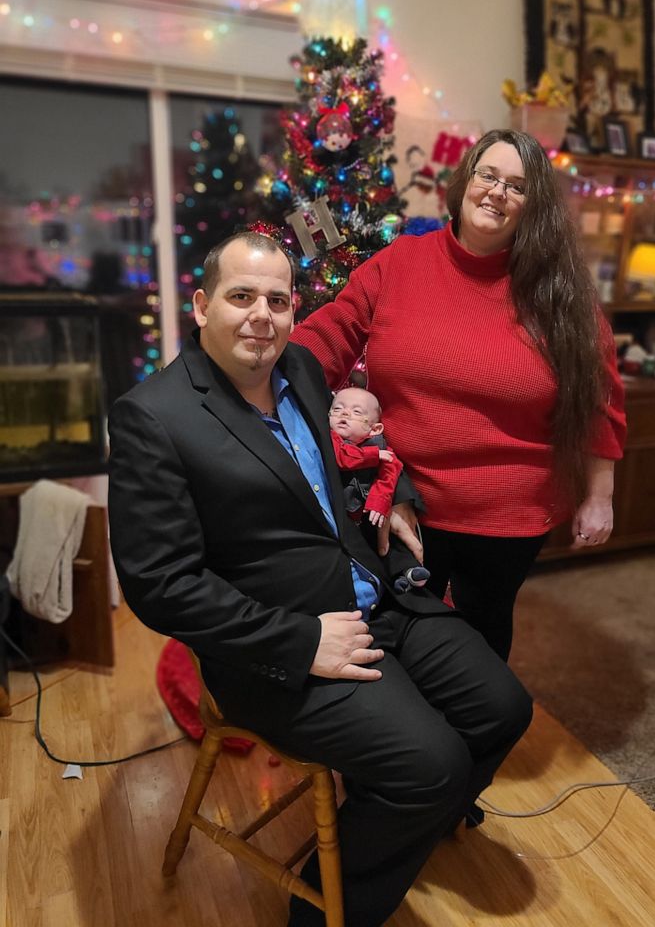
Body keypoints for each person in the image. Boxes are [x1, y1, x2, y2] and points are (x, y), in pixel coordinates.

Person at [107, 228, 533, 927]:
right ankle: (325, 914)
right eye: (240, 296)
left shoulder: (301, 370)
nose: (261, 315)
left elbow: (340, 468)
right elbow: (159, 584)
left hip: (375, 594)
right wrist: (301, 641)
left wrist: (393, 499)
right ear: (201, 304)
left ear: (295, 310)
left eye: (277, 299)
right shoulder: (154, 418)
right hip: (278, 647)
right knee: (433, 767)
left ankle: (393, 823)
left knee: (503, 710)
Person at [292, 128, 627, 661]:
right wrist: (256, 363)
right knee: (399, 638)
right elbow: (329, 333)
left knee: (480, 644)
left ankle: (476, 740)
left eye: (517, 186)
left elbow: (599, 400)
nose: (497, 192)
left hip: (509, 515)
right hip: (401, 502)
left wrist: (599, 495)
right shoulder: (400, 263)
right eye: (487, 175)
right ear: (465, 181)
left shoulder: (561, 290)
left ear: (533, 205)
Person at [329, 385, 430, 592]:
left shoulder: (380, 446)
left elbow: (389, 475)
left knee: (391, 539)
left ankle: (406, 572)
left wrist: (380, 502)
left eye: (357, 412)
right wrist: (373, 456)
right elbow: (342, 458)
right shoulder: (331, 439)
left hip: (371, 511)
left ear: (374, 429)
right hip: (342, 514)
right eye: (338, 409)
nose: (345, 413)